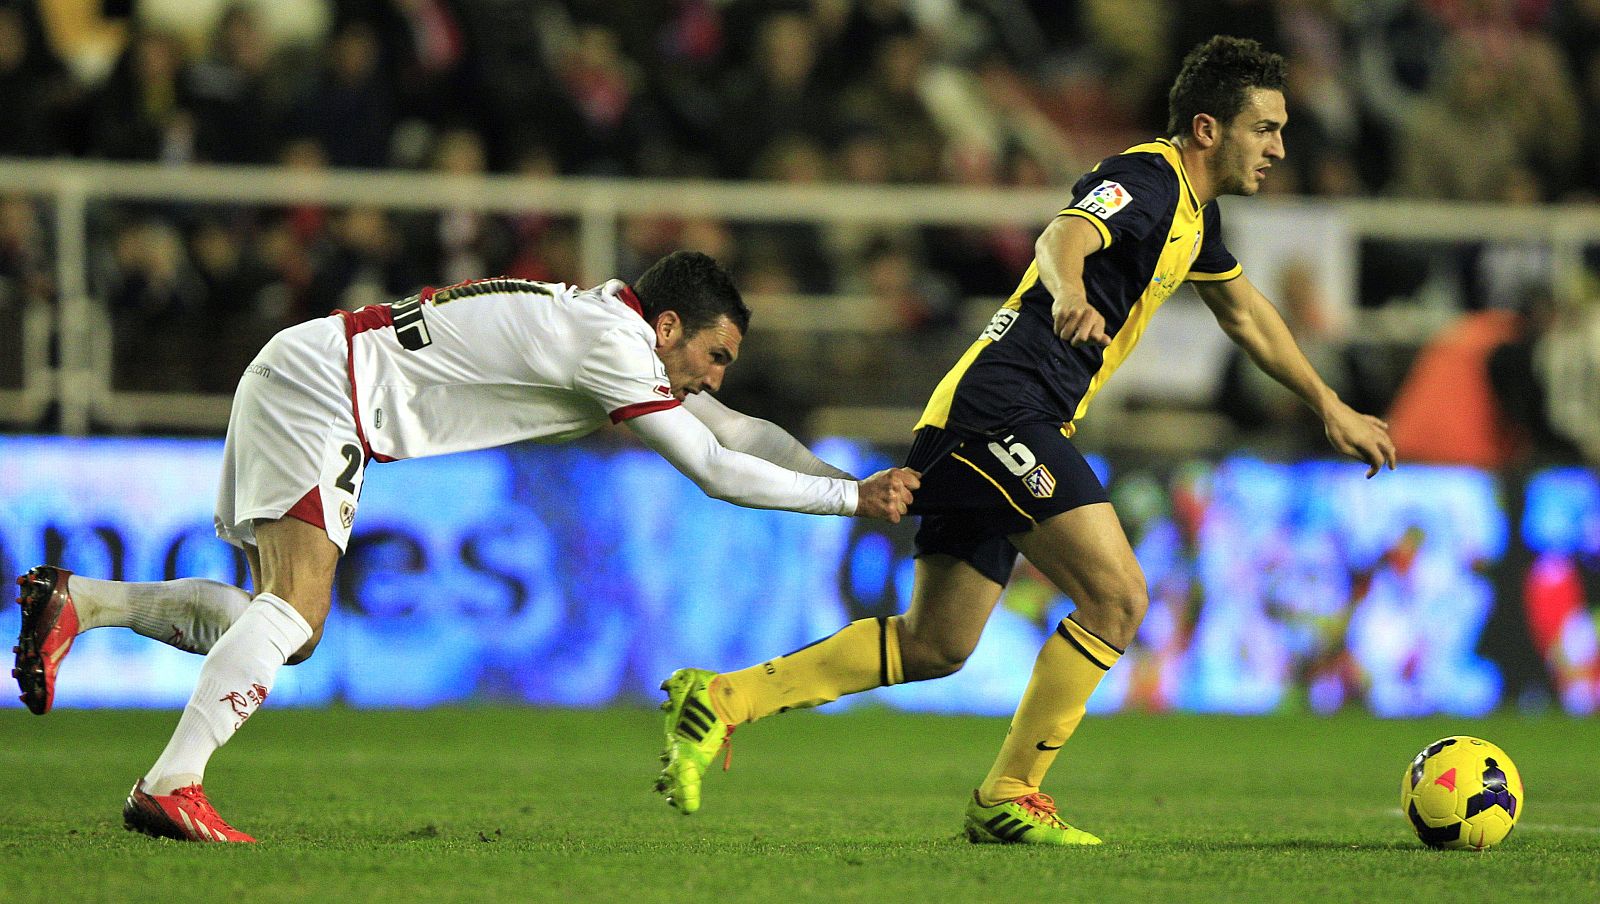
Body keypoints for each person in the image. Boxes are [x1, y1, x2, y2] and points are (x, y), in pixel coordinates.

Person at [654, 36, 1397, 843]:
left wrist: (1330, 405)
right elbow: (1062, 236)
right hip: (1005, 411)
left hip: (987, 414)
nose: (1280, 149)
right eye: (1266, 129)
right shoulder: (1146, 179)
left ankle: (724, 700)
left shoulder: (1194, 215)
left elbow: (1247, 313)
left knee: (937, 645)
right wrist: (1072, 289)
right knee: (1118, 597)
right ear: (1210, 129)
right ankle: (1009, 792)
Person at [12, 250, 920, 843]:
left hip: (311, 373)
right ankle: (171, 782)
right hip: (323, 391)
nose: (716, 378)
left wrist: (860, 478)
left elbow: (741, 434)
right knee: (294, 609)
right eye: (715, 356)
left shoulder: (609, 327)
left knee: (292, 624)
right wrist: (850, 497)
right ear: (671, 328)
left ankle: (84, 606)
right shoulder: (613, 345)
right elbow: (716, 472)